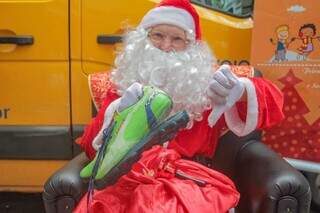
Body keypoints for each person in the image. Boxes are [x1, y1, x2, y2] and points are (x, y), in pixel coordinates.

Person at [74, 0, 284, 212]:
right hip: (128, 180)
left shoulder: (208, 85)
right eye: (158, 36)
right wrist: (119, 112)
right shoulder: (123, 85)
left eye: (177, 39)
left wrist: (242, 91)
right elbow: (92, 150)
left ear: (191, 46)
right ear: (143, 39)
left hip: (190, 181)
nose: (165, 46)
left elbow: (275, 100)